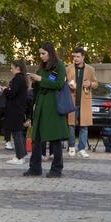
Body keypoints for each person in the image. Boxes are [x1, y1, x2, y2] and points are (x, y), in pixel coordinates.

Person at [24, 42, 69, 178]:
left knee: (55, 138)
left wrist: (40, 79)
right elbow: (38, 87)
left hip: (53, 107)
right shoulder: (42, 68)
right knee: (36, 138)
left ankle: (56, 169)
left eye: (43, 53)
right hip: (40, 106)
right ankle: (35, 168)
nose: (41, 56)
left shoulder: (59, 66)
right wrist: (34, 80)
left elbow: (59, 83)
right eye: (40, 54)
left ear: (50, 52)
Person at [66, 47, 98, 158]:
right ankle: (71, 147)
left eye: (78, 56)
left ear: (83, 57)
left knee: (84, 126)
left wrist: (90, 83)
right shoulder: (68, 68)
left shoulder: (90, 69)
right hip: (72, 101)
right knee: (71, 125)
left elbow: (95, 84)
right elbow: (62, 83)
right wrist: (69, 84)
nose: (75, 58)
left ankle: (82, 149)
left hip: (85, 102)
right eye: (74, 56)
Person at [4, 60, 29, 165]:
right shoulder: (22, 78)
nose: (11, 69)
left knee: (17, 133)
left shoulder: (18, 78)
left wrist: (5, 90)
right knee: (17, 133)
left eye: (12, 67)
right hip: (19, 109)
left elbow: (12, 93)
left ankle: (20, 157)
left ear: (18, 68)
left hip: (15, 109)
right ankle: (21, 155)